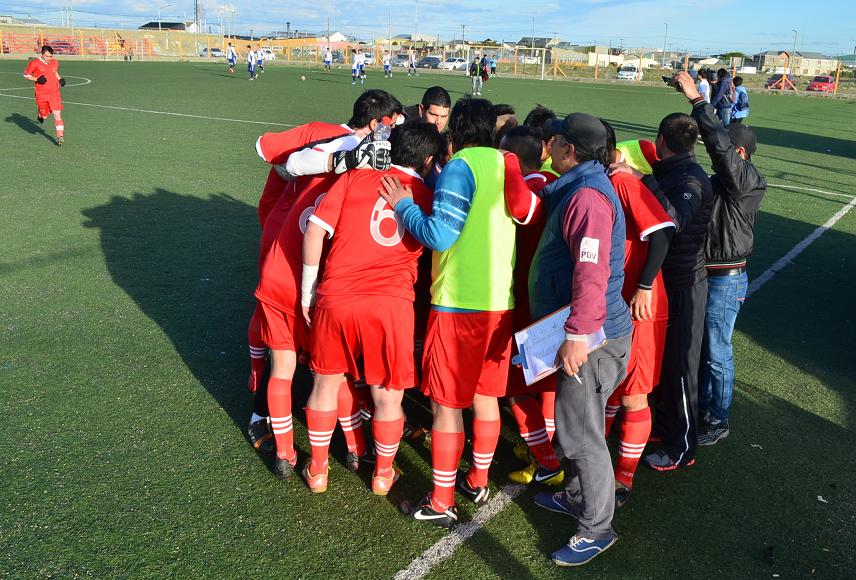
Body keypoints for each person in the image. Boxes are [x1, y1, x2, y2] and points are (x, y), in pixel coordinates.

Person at [379, 98, 539, 527]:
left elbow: (440, 235)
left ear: (457, 131)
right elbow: (526, 212)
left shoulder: (460, 166)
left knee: (446, 405)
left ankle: (442, 500)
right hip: (498, 303)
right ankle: (477, 480)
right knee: (486, 398)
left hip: (458, 304)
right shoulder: (504, 163)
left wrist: (404, 206)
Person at [253, 90, 401, 480]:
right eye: (393, 125)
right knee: (332, 372)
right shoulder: (354, 161)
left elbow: (287, 161)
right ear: (378, 124)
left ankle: (285, 453)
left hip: (280, 267)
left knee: (284, 366)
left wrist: (333, 158)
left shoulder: (330, 146)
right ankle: (355, 448)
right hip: (314, 280)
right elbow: (272, 152)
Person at [299, 121, 445, 494]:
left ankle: (318, 470)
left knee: (325, 383)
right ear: (429, 160)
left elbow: (314, 231)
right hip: (390, 306)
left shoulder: (354, 178)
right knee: (387, 394)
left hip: (337, 296)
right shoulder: (426, 195)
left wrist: (308, 292)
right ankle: (382, 474)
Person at [527, 113, 633, 567]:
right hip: (588, 331)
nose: (547, 146)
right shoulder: (579, 186)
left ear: (569, 150)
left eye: (554, 141)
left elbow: (592, 273)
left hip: (593, 338)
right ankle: (575, 497)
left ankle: (597, 528)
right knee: (574, 424)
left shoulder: (587, 197)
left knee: (582, 434)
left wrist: (577, 334)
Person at [673, 70, 767, 446]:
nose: (719, 151)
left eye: (728, 147)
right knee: (702, 347)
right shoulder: (722, 183)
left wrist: (698, 100)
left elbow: (718, 148)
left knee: (717, 350)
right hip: (706, 274)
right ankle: (703, 406)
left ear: (739, 153)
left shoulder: (747, 181)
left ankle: (718, 418)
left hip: (726, 279)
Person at [602, 130, 675, 508]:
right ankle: (597, 459)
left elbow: (662, 233)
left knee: (633, 393)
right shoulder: (606, 181)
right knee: (611, 386)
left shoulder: (623, 182)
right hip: (617, 301)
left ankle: (623, 478)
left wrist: (644, 286)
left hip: (640, 306)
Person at [638, 112, 713, 472]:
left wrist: (643, 183)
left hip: (686, 285)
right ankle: (665, 427)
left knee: (682, 367)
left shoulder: (691, 179)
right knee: (665, 362)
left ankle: (682, 447)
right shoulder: (670, 170)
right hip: (668, 282)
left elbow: (673, 222)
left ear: (661, 140)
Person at [498, 125, 563, 487]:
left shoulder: (526, 191)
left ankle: (547, 461)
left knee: (516, 388)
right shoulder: (555, 181)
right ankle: (544, 448)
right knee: (547, 382)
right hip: (552, 300)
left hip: (525, 303)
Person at [23, 45, 66, 146]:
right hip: (41, 95)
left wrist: (60, 79)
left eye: (50, 56)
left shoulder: (54, 62)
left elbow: (54, 72)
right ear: (42, 54)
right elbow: (26, 75)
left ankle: (60, 136)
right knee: (44, 116)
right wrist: (37, 79)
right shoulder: (34, 63)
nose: (49, 58)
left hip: (54, 93)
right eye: (46, 56)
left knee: (57, 114)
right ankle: (40, 115)